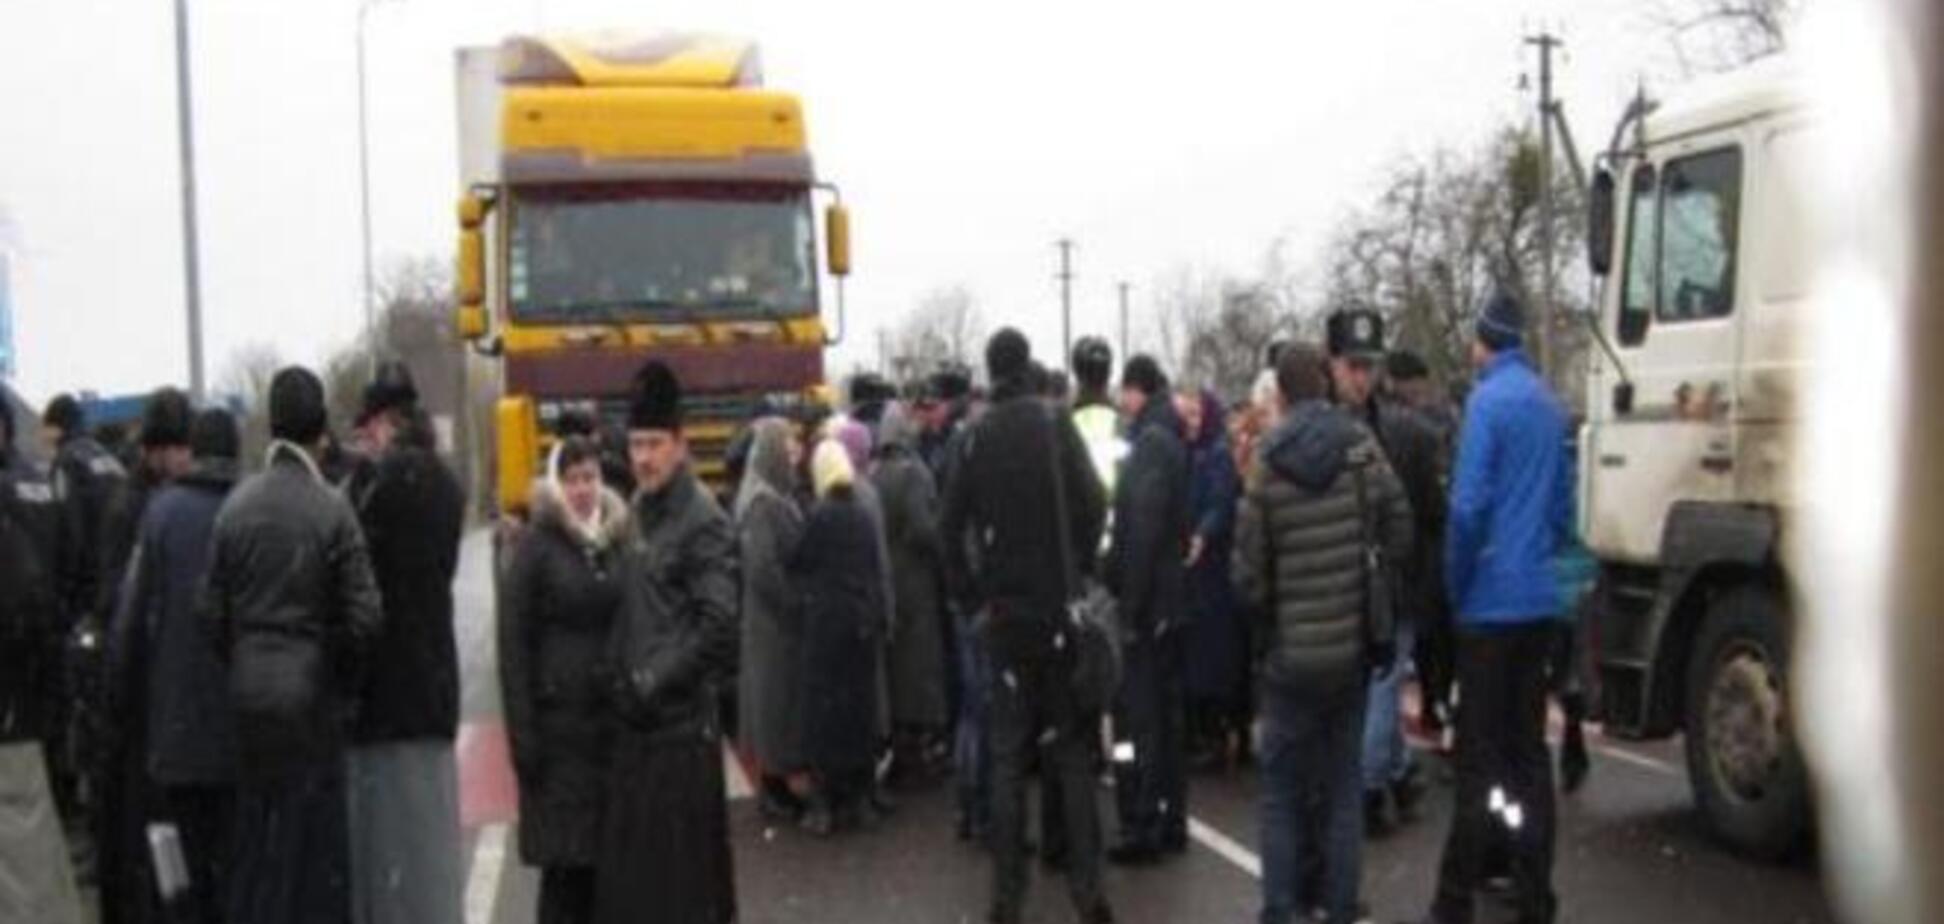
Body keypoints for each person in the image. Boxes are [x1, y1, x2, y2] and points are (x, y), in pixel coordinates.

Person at [1407, 293, 1571, 924]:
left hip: (1488, 604)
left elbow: (1468, 507)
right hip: (1536, 599)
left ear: (1484, 342)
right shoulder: (1547, 404)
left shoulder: (1486, 403)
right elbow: (1560, 508)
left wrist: (1455, 579)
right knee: (1528, 755)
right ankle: (1535, 893)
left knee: (1477, 761)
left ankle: (1454, 901)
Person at [940, 328, 1113, 924]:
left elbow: (947, 531)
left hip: (1004, 618)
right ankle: (1088, 893)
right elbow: (1094, 501)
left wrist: (972, 598)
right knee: (1072, 754)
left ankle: (1006, 899)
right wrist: (1080, 567)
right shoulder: (1053, 424)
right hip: (1060, 612)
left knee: (1009, 758)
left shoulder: (972, 439)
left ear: (991, 372)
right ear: (1029, 367)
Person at [1234, 342, 1411, 924]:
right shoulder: (1359, 448)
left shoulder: (1266, 461)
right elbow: (1399, 520)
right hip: (1350, 648)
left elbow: (1249, 573)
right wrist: (1370, 568)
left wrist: (1270, 616)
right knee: (1340, 788)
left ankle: (1281, 908)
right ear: (1327, 385)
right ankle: (1339, 905)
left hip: (1289, 653)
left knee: (1282, 790)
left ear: (1280, 394)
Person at [205, 366, 384, 924]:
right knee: (317, 858)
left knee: (257, 847)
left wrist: (244, 655)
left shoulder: (235, 507)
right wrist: (338, 680)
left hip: (248, 700)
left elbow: (208, 610)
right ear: (320, 431)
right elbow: (365, 616)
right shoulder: (331, 508)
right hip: (311, 704)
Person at [596, 360, 738, 924]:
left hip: (680, 740)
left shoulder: (703, 520)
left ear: (680, 444)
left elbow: (719, 627)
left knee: (682, 900)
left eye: (654, 443)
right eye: (635, 444)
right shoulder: (636, 512)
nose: (643, 458)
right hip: (638, 736)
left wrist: (651, 681)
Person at [339, 362, 467, 924]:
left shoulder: (378, 489)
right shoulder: (447, 483)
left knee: (387, 864)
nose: (365, 440)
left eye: (368, 428)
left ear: (385, 423)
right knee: (430, 856)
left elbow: (358, 586)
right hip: (433, 689)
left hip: (383, 698)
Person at [112, 408, 242, 924]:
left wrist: (120, 707)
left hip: (176, 731)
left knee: (178, 872)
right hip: (244, 731)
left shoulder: (160, 514)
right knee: (239, 867)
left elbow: (130, 621)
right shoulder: (250, 510)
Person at [500, 435, 632, 924]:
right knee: (565, 870)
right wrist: (523, 735)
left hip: (609, 731)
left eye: (590, 478)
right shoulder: (537, 546)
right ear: (557, 485)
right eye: (572, 479)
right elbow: (513, 644)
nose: (583, 490)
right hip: (558, 738)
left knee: (606, 866)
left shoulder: (617, 539)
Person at [1325, 309, 1439, 834]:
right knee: (1375, 690)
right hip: (1339, 585)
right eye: (1353, 365)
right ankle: (1392, 771)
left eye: (1369, 365)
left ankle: (1374, 784)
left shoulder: (1400, 431)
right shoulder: (1320, 429)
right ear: (1333, 365)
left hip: (1385, 585)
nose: (1362, 376)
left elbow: (1417, 516)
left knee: (1379, 687)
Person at [96, 387, 195, 924]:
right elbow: (118, 607)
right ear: (155, 450)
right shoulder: (133, 509)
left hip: (159, 698)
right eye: (175, 448)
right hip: (146, 704)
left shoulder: (146, 503)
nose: (183, 459)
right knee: (150, 830)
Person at [0, 405, 86, 924]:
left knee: (21, 831)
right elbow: (75, 569)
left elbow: (19, 600)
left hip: (11, 695)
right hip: (43, 682)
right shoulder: (41, 484)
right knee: (39, 824)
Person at [1105, 354, 1191, 866]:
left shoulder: (1151, 444)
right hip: (1166, 602)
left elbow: (1142, 529)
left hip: (1149, 608)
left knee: (1138, 726)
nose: (1121, 403)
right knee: (1165, 721)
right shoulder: (1165, 436)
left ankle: (1143, 821)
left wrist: (1130, 607)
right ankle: (1167, 817)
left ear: (1138, 390)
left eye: (1125, 392)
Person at [790, 439, 890, 834]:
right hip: (861, 623)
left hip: (827, 624)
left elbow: (798, 560)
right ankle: (861, 800)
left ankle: (823, 807)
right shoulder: (862, 514)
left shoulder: (821, 514)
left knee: (824, 714)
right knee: (858, 711)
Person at [734, 417, 810, 822]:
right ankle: (774, 788)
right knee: (773, 703)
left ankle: (777, 782)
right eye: (787, 446)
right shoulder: (763, 503)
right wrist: (795, 603)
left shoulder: (769, 493)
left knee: (777, 703)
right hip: (773, 624)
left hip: (773, 619)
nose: (793, 454)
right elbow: (764, 569)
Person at [872, 404, 950, 785]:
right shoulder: (914, 473)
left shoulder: (873, 474)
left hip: (889, 581)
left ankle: (900, 750)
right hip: (917, 583)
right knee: (921, 670)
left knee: (897, 670)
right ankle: (919, 757)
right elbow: (924, 529)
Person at [1385, 349, 1460, 744]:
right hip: (1424, 552)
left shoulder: (1371, 425)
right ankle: (1437, 704)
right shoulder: (1429, 428)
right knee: (1431, 639)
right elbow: (1437, 499)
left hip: (1391, 556)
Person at [1176, 387, 1247, 772]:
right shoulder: (1189, 453)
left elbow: (1220, 505)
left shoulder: (1217, 455)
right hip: (1192, 567)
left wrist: (1202, 534)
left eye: (1195, 415)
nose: (1189, 423)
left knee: (1214, 657)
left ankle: (1218, 735)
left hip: (1212, 569)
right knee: (1197, 656)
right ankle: (1204, 732)